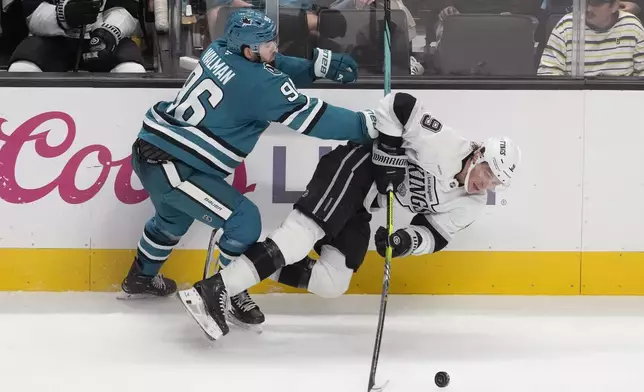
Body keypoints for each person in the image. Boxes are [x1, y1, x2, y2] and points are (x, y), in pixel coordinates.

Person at [176, 91, 522, 341]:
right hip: (355, 167)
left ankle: (239, 269)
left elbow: (436, 234)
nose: (485, 184)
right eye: (488, 171)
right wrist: (389, 151)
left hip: (365, 202)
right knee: (301, 237)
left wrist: (405, 241)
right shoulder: (446, 143)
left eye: (495, 182)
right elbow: (398, 105)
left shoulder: (471, 204)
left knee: (332, 281)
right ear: (479, 154)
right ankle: (215, 289)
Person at [119, 9, 377, 328]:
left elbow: (273, 67)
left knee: (171, 220)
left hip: (153, 154)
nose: (275, 48)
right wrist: (368, 126)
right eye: (269, 44)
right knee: (244, 220)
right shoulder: (257, 84)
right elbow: (315, 117)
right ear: (248, 50)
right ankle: (226, 291)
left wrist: (315, 68)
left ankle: (140, 278)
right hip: (176, 167)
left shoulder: (218, 49)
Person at [9, 0, 146, 73]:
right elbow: (32, 14)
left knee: (131, 68)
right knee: (22, 67)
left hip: (102, 40)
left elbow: (127, 11)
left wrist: (108, 33)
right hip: (52, 38)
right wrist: (64, 15)